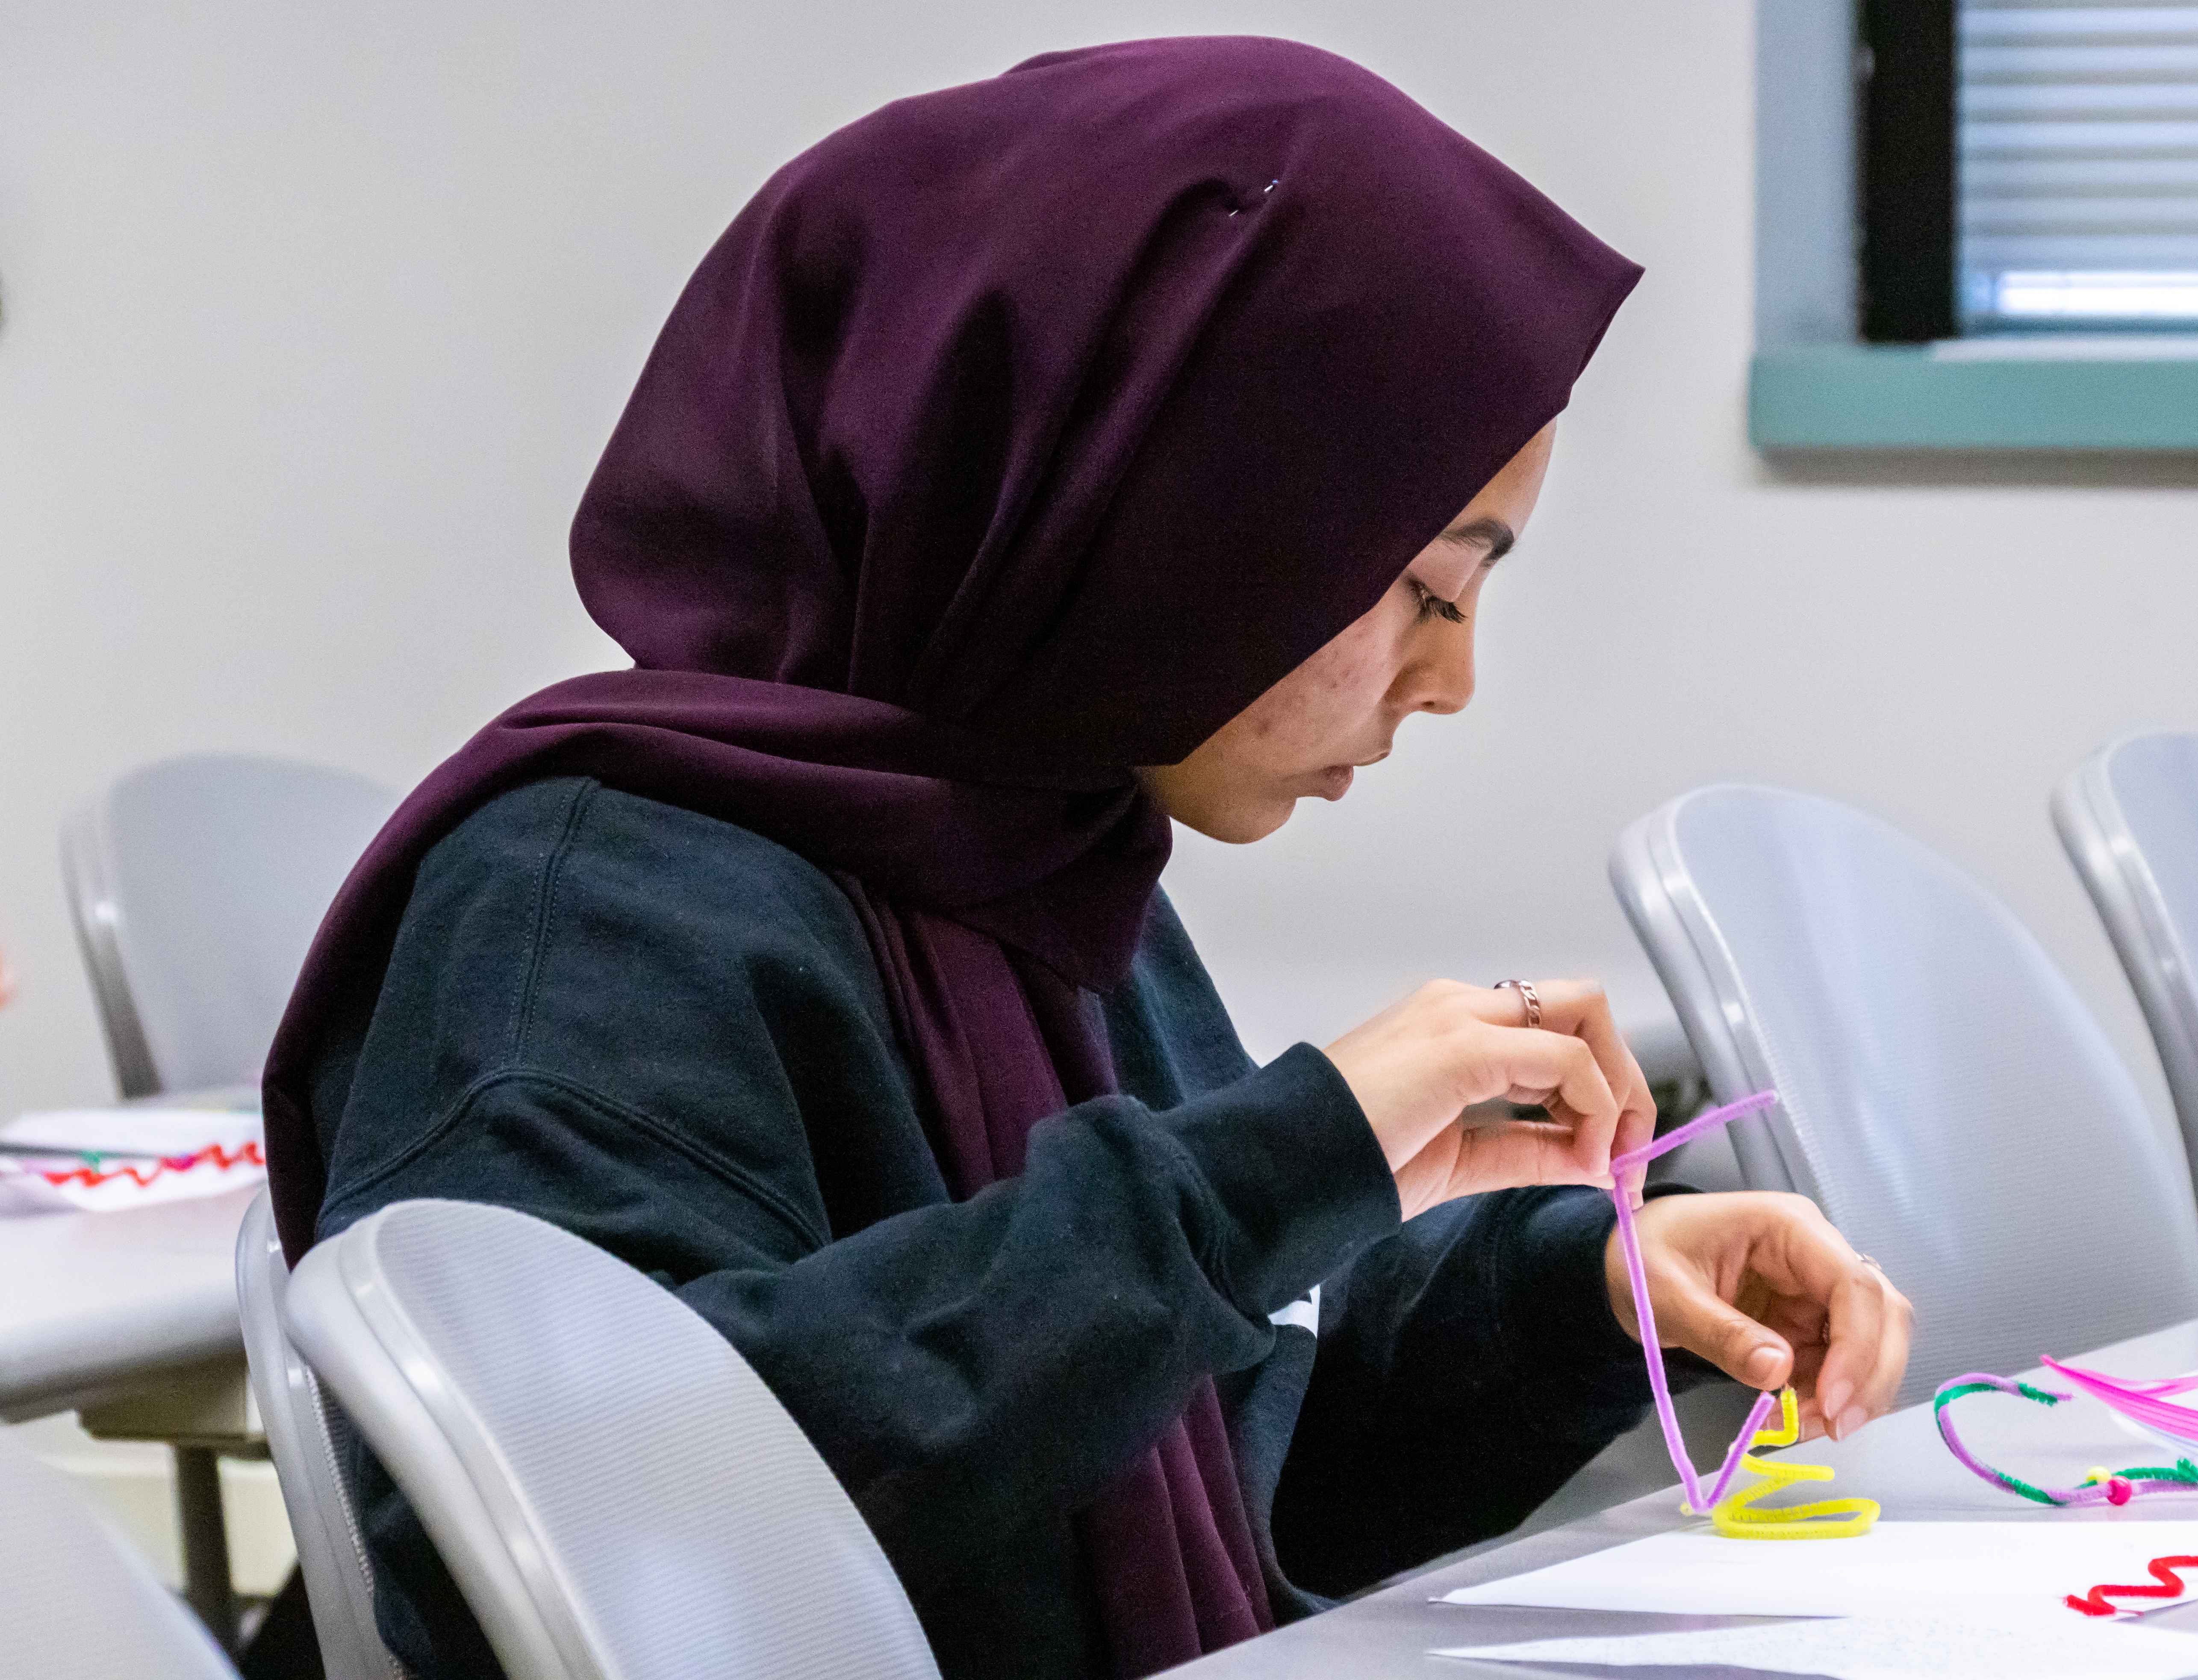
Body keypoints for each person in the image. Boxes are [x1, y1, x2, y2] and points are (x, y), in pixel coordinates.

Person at [261, 37, 1911, 1680]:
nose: (1451, 676)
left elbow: (1207, 1445)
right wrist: (1266, 1169)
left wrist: (1589, 1293)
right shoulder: (593, 908)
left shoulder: (1035, 854)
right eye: (1423, 585)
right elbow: (617, 1522)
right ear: (1169, 512)